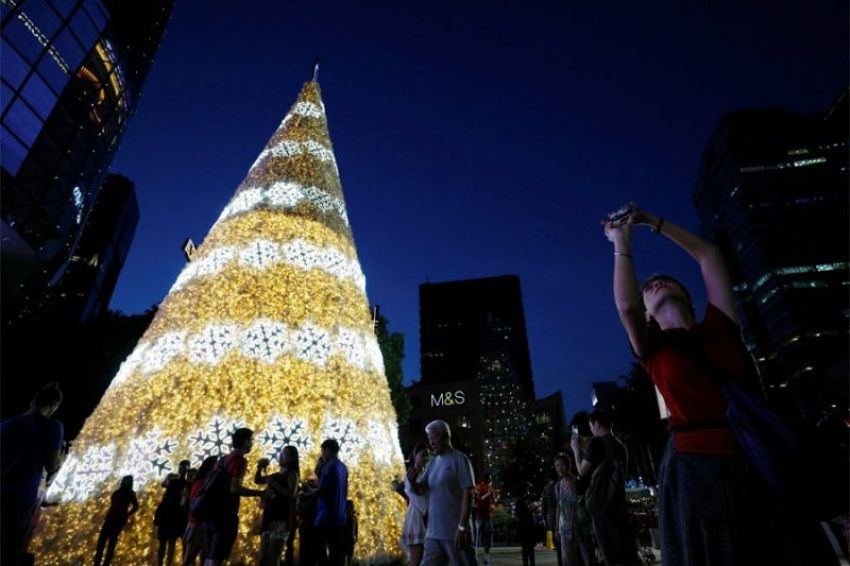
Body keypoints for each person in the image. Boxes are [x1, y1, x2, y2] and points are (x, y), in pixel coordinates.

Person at [603, 204, 835, 566]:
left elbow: (709, 254)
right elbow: (626, 308)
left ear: (688, 297)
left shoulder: (719, 327)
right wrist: (622, 241)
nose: (655, 283)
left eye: (665, 280)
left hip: (754, 455)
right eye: (647, 288)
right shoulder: (652, 349)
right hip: (695, 466)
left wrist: (654, 221)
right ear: (647, 314)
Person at [0, 381, 64, 566]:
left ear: (32, 401)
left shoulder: (7, 424)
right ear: (53, 406)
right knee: (11, 548)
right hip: (20, 496)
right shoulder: (53, 426)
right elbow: (52, 465)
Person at [571, 410, 637, 566]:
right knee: (625, 551)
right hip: (619, 504)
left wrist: (575, 450)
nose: (591, 429)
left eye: (590, 425)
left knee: (610, 555)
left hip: (601, 505)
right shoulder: (621, 446)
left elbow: (582, 470)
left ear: (597, 424)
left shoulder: (597, 443)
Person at [410, 419, 476, 566]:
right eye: (429, 438)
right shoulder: (433, 463)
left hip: (455, 533)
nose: (431, 442)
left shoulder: (460, 459)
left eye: (434, 437)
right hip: (433, 534)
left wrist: (462, 527)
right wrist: (413, 481)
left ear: (446, 436)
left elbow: (468, 494)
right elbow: (421, 489)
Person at [203, 427, 268, 566]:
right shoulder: (240, 461)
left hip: (209, 512)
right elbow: (235, 488)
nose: (253, 443)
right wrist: (260, 493)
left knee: (209, 556)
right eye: (252, 440)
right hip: (224, 514)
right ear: (246, 441)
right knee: (217, 557)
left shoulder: (224, 459)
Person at [303, 439, 349, 566]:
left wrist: (308, 492)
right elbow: (331, 485)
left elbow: (322, 490)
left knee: (318, 547)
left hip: (325, 515)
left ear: (328, 450)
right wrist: (316, 483)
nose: (321, 454)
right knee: (336, 552)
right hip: (340, 516)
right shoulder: (343, 467)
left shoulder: (329, 466)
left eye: (323, 451)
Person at [255, 446, 301, 566]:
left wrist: (274, 484)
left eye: (284, 454)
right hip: (269, 516)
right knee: (262, 556)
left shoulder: (292, 474)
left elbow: (292, 493)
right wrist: (260, 467)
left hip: (280, 519)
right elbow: (258, 480)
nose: (280, 456)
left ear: (291, 459)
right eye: (281, 453)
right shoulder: (275, 475)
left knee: (273, 556)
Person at [94, 475, 140, 566]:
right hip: (112, 519)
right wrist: (126, 514)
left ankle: (103, 563)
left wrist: (126, 514)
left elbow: (135, 507)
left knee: (109, 544)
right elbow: (114, 501)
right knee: (103, 544)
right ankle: (98, 563)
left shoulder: (129, 493)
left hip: (116, 521)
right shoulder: (120, 492)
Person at [183, 456, 218, 565]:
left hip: (201, 522)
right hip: (198, 522)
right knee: (191, 555)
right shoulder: (202, 483)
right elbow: (195, 501)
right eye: (215, 465)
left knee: (200, 555)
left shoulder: (204, 482)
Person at [156, 459, 191, 565]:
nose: (182, 469)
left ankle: (167, 563)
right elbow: (164, 484)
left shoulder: (186, 483)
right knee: (163, 541)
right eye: (181, 466)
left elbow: (186, 497)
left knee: (171, 541)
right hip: (167, 510)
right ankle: (160, 563)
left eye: (184, 467)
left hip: (176, 513)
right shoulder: (172, 477)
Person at [401, 443, 429, 566]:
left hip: (426, 518)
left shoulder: (426, 473)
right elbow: (416, 495)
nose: (425, 458)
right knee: (416, 559)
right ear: (414, 456)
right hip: (417, 518)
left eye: (427, 455)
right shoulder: (410, 475)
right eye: (423, 455)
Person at [553, 454, 579, 566]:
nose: (560, 468)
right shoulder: (559, 485)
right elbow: (559, 506)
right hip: (564, 526)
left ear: (568, 466)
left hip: (577, 524)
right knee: (567, 556)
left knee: (575, 556)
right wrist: (557, 528)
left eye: (562, 465)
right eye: (557, 465)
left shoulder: (575, 482)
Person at [472, 474, 494, 566]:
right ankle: (475, 556)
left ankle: (486, 557)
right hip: (480, 514)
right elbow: (479, 500)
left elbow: (492, 501)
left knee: (487, 536)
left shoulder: (489, 487)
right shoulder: (479, 487)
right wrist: (489, 493)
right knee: (476, 536)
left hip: (487, 515)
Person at [540, 473, 563, 566]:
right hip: (563, 518)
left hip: (551, 519)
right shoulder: (561, 484)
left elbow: (544, 506)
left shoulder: (546, 488)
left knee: (558, 546)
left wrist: (545, 518)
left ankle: (560, 562)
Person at [515, 486, 536, 566]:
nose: (527, 492)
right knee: (528, 548)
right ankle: (530, 563)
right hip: (526, 527)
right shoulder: (521, 501)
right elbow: (524, 513)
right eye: (526, 490)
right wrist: (530, 510)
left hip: (526, 527)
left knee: (527, 547)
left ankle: (528, 563)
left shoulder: (522, 501)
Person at [341, 499, 358, 566]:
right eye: (348, 508)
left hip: (351, 540)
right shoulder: (343, 518)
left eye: (351, 507)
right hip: (344, 541)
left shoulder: (354, 518)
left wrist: (356, 536)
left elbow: (356, 528)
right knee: (343, 556)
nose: (350, 509)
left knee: (349, 556)